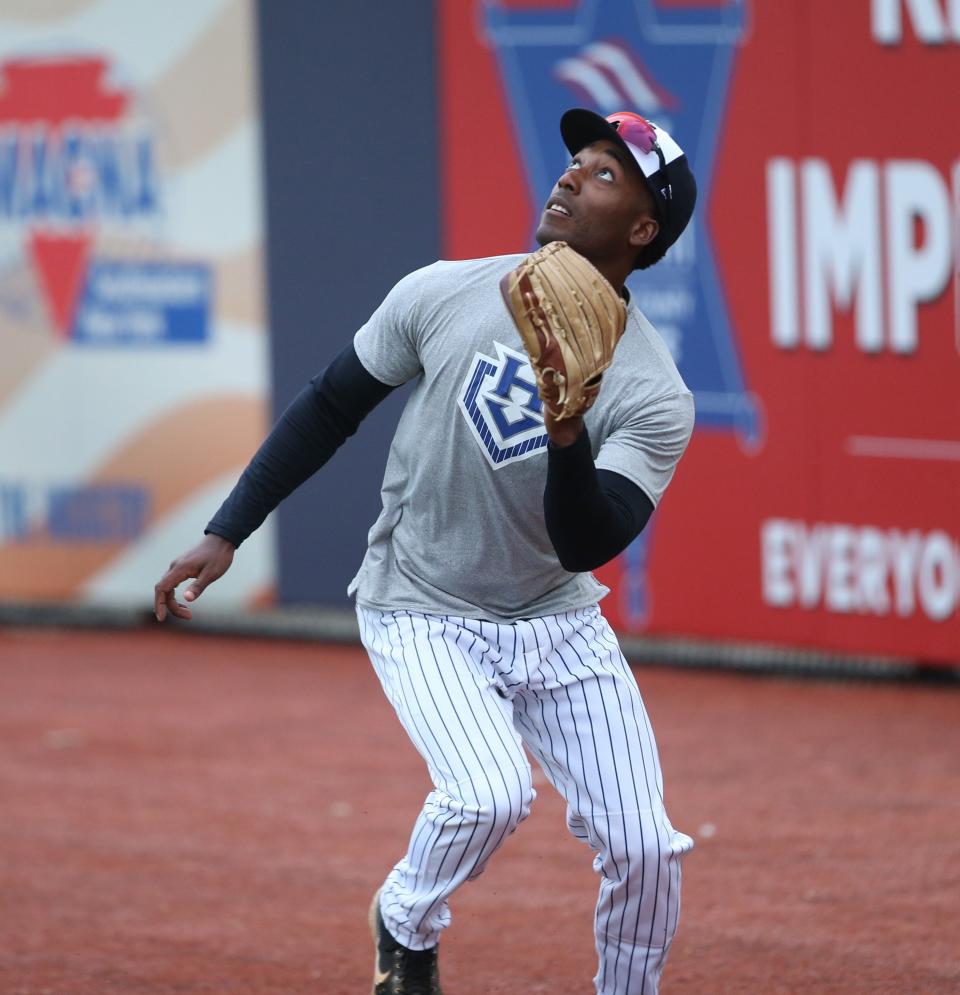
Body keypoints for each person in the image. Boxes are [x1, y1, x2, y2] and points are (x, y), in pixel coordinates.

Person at [154, 107, 698, 995]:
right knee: (489, 794)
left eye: (605, 172)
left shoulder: (652, 391)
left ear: (644, 229)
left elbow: (586, 541)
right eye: (575, 159)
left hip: (557, 623)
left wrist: (568, 433)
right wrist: (228, 528)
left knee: (646, 847)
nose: (569, 175)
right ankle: (405, 919)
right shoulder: (444, 291)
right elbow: (332, 403)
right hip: (422, 604)